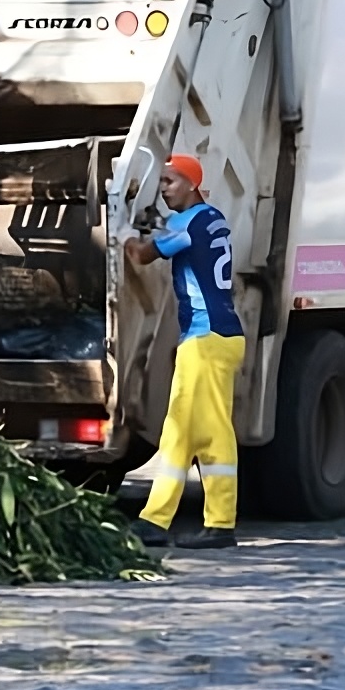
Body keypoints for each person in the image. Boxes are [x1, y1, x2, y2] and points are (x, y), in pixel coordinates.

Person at [122, 155, 245, 550]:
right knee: (199, 432)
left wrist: (120, 231)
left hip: (205, 339)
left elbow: (142, 255)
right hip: (223, 336)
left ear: (192, 184)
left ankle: (167, 522)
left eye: (170, 182)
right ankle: (205, 522)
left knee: (188, 429)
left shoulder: (187, 223)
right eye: (161, 182)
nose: (163, 189)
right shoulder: (214, 218)